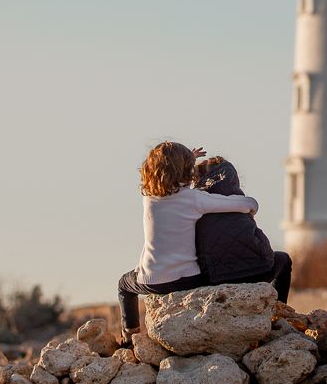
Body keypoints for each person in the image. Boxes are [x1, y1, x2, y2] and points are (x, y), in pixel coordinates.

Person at [117, 141, 258, 345]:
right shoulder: (194, 199)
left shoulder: (149, 199)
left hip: (153, 281)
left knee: (124, 285)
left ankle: (130, 337)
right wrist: (250, 208)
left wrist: (184, 159)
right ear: (186, 172)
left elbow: (169, 180)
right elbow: (247, 204)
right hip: (190, 279)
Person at [195, 156, 292, 304]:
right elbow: (264, 249)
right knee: (284, 259)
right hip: (257, 273)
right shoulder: (242, 204)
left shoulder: (194, 206)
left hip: (215, 278)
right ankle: (280, 311)